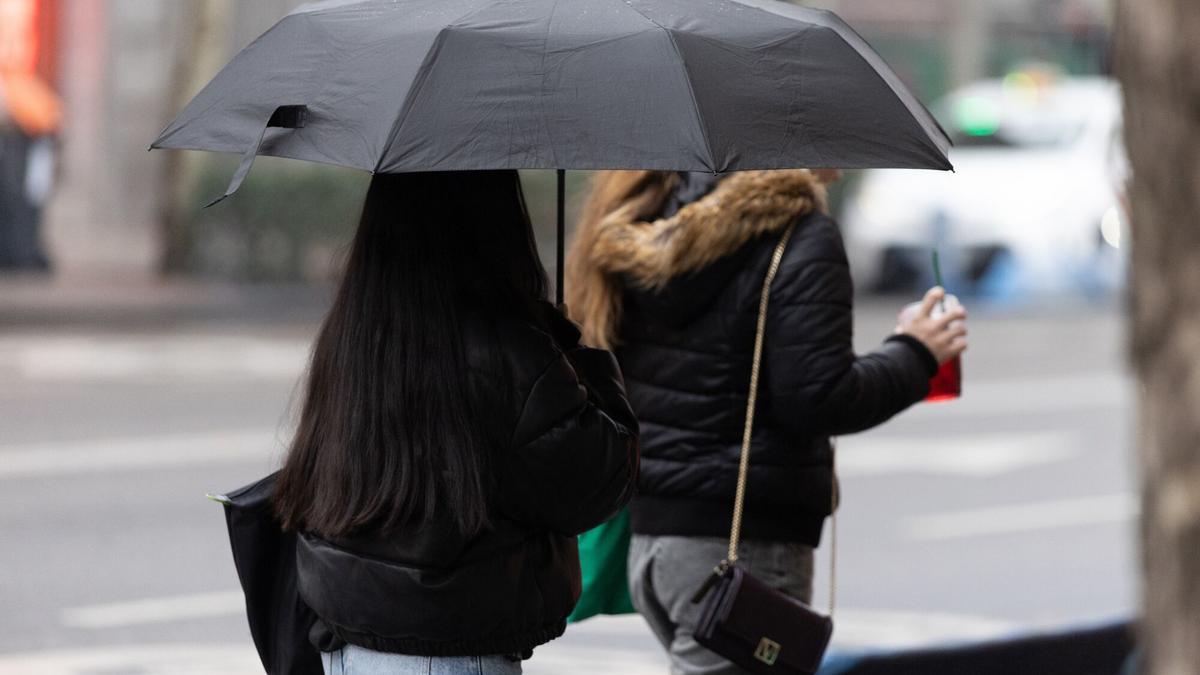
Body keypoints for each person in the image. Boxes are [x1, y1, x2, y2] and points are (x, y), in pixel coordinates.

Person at [566, 169, 968, 675]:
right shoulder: (796, 232)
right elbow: (819, 398)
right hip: (741, 552)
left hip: (655, 546)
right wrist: (916, 352)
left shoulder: (640, 219)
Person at [274, 170, 640, 675]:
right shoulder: (508, 351)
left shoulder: (353, 335)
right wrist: (576, 354)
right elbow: (598, 481)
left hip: (344, 644)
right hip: (448, 650)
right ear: (495, 226)